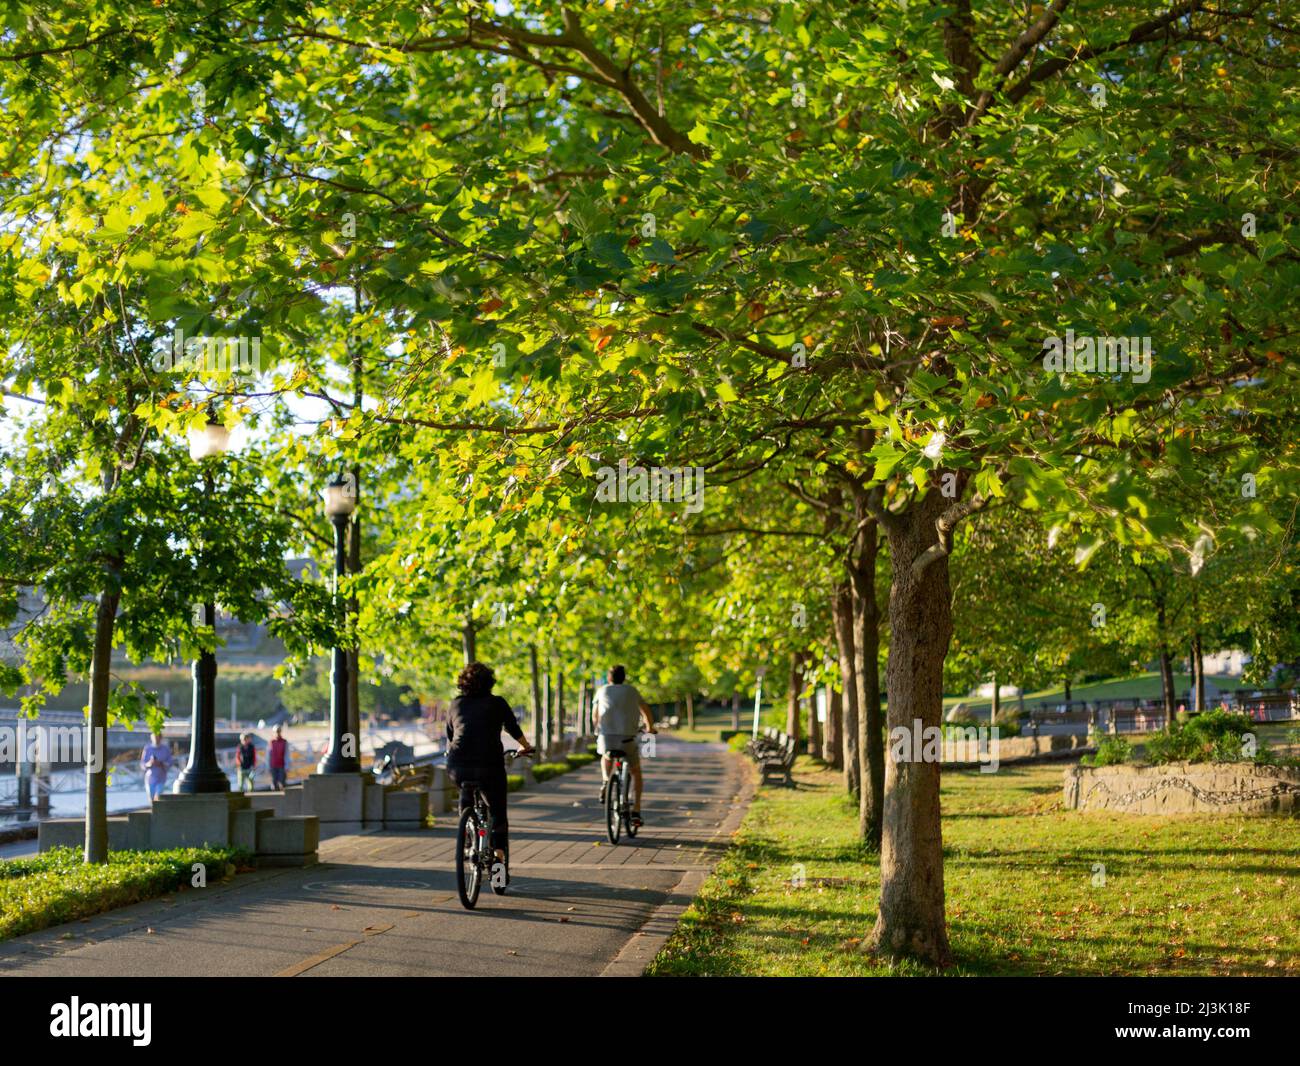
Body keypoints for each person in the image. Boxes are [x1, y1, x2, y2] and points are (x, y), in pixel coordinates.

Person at [445, 661, 533, 867]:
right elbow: (513, 728)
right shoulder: (497, 703)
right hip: (488, 766)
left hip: (457, 765)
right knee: (498, 813)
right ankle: (499, 865)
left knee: (465, 792)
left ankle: (467, 838)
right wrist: (526, 747)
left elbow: (450, 735)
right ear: (489, 683)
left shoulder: (455, 704)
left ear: (462, 684)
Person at [593, 664, 657, 827]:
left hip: (606, 737)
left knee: (605, 756)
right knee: (636, 772)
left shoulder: (602, 690)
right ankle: (636, 810)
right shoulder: (632, 691)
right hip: (627, 738)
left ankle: (606, 780)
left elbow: (595, 714)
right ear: (624, 677)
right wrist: (649, 728)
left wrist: (597, 727)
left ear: (609, 678)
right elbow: (645, 710)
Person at [140, 733, 173, 801]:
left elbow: (170, 763)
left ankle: (157, 809)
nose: (156, 739)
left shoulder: (165, 749)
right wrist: (150, 763)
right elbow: (142, 764)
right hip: (150, 778)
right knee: (151, 798)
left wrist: (161, 763)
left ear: (161, 738)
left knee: (158, 796)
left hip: (161, 778)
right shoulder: (148, 748)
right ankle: (154, 810)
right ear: (151, 738)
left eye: (157, 737)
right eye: (154, 737)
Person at [268, 725, 288, 790]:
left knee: (282, 783)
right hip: (273, 766)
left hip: (282, 765)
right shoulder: (271, 742)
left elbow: (287, 755)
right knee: (274, 784)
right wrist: (268, 766)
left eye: (278, 731)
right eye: (276, 732)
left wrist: (287, 766)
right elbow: (268, 755)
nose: (277, 733)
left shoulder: (284, 742)